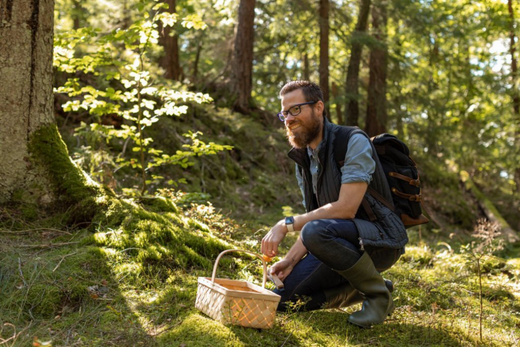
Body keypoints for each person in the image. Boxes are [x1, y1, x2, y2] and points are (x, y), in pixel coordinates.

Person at [261, 80, 408, 328]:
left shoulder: (352, 141)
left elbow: (345, 208)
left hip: (380, 240)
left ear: (318, 108)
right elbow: (316, 215)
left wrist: (285, 224)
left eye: (295, 110)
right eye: (284, 113)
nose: (288, 119)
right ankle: (366, 288)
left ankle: (377, 297)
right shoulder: (303, 160)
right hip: (335, 240)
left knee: (316, 230)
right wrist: (291, 260)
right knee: (282, 300)